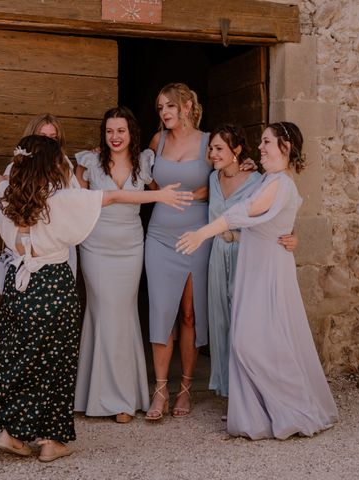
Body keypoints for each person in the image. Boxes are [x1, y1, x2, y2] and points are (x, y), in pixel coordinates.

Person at [0, 135, 192, 461]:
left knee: (16, 359)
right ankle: (50, 441)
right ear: (49, 164)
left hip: (18, 290)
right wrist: (159, 194)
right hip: (52, 287)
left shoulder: (6, 193)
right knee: (53, 365)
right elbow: (114, 196)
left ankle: (12, 432)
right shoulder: (61, 199)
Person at [176, 122, 338, 440]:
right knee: (258, 340)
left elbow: (245, 211)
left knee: (252, 343)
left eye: (266, 142)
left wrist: (202, 233)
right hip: (256, 266)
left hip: (268, 270)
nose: (260, 147)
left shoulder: (280, 183)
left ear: (285, 147)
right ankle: (263, 412)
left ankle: (294, 407)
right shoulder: (271, 179)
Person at [206, 124, 297, 398]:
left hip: (246, 253)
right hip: (217, 253)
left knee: (244, 323)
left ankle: (249, 392)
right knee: (219, 320)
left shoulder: (259, 179)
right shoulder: (212, 179)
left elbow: (283, 211)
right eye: (211, 148)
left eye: (219, 148)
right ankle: (227, 391)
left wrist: (295, 236)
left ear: (236, 151)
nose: (213, 154)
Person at [73, 107, 151, 423]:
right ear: (103, 134)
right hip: (96, 245)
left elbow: (171, 185)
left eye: (121, 130)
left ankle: (124, 398)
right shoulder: (89, 162)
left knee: (123, 313)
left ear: (131, 132)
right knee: (102, 312)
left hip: (131, 246)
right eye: (109, 131)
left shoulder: (145, 161)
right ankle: (95, 396)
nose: (115, 137)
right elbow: (73, 198)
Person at [144, 83, 212, 420]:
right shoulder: (157, 141)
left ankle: (184, 388)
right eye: (160, 108)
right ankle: (160, 391)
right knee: (161, 313)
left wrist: (203, 195)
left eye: (170, 106)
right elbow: (146, 179)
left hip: (196, 235)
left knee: (189, 314)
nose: (165, 113)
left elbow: (228, 176)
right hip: (158, 235)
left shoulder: (208, 142)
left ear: (187, 106)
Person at [0, 114, 81, 276]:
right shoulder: (16, 166)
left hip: (56, 247)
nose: (47, 142)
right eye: (43, 136)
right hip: (26, 243)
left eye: (53, 137)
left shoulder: (64, 166)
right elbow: (0, 195)